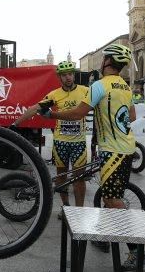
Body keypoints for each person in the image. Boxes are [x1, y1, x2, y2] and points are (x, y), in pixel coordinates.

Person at [37, 44, 145, 272]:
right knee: (109, 196)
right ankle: (106, 238)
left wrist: (53, 114)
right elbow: (132, 115)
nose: (102, 60)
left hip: (113, 151)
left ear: (108, 62)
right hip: (125, 147)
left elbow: (78, 113)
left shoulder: (99, 85)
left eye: (104, 57)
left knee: (113, 200)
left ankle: (138, 252)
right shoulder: (124, 86)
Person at [11, 61, 90, 216]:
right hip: (60, 142)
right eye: (64, 75)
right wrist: (15, 124)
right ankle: (66, 207)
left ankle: (79, 212)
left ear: (74, 75)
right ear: (60, 77)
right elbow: (35, 108)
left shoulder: (85, 91)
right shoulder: (54, 94)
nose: (68, 77)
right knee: (62, 176)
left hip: (78, 142)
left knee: (79, 178)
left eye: (70, 74)